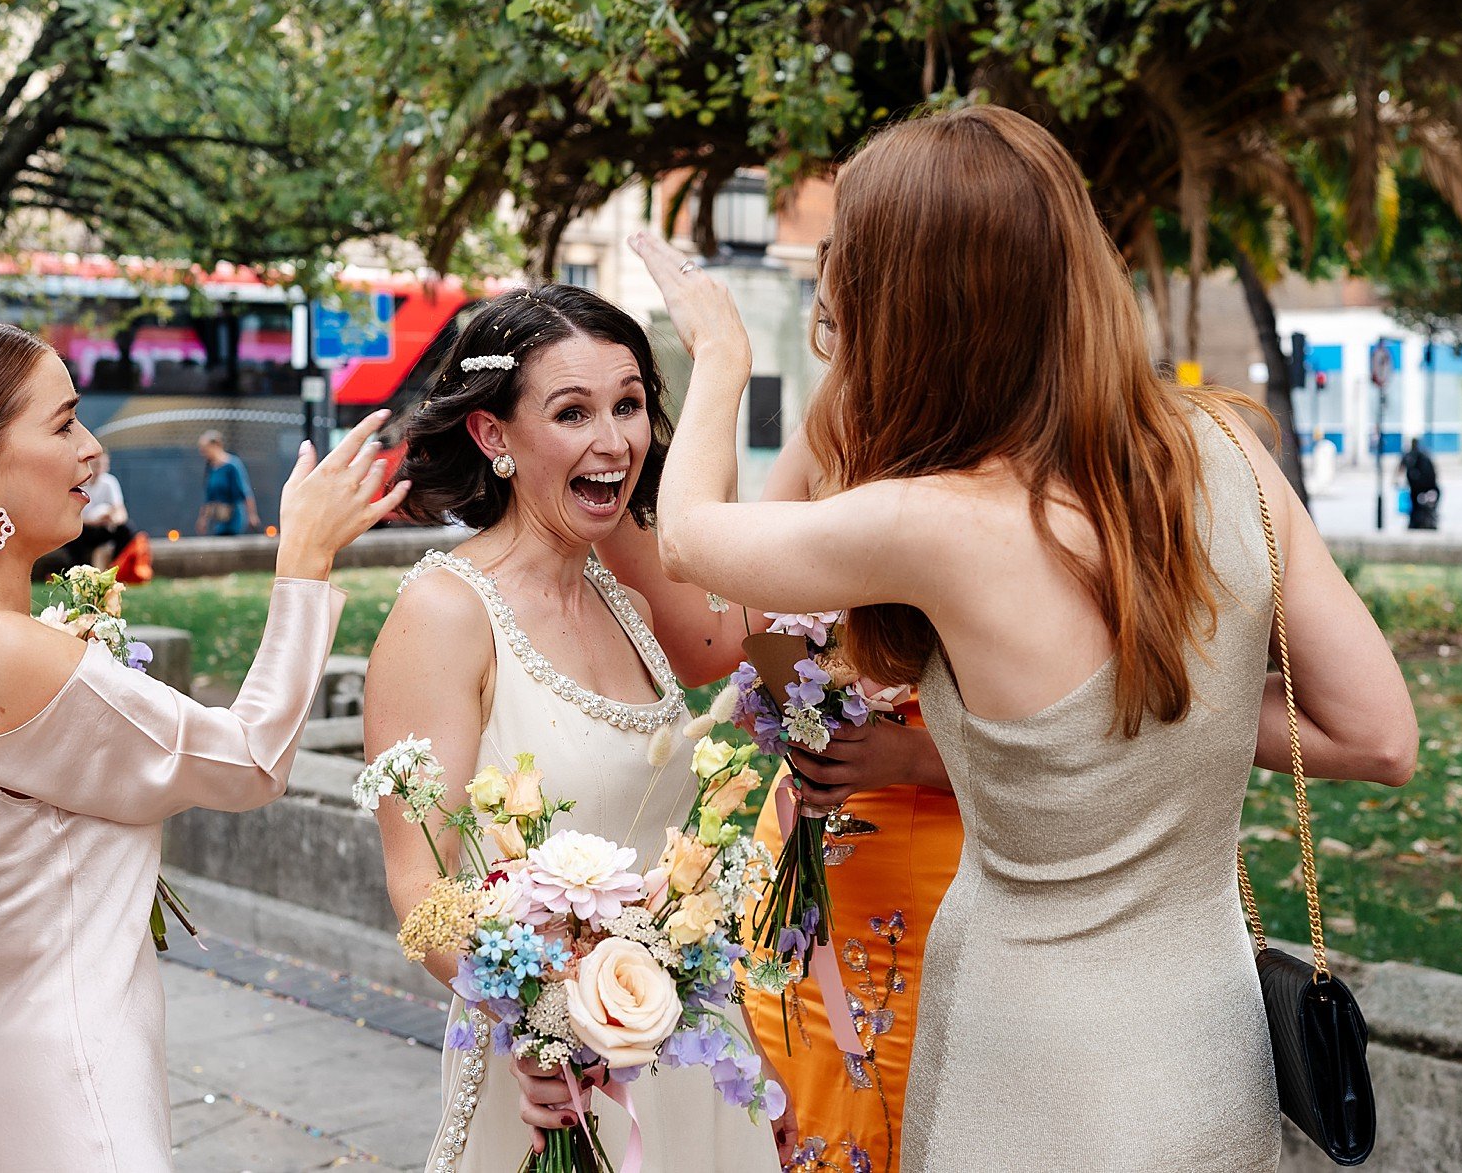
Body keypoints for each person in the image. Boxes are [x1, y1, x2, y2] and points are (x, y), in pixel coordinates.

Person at [634, 104, 1418, 1172]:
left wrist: (719, 355)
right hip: (1209, 1048)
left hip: (1029, 1068)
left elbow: (686, 540)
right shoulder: (1220, 447)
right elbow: (1379, 736)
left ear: (904, 304)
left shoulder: (940, 520)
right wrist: (1153, 731)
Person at [0, 321, 407, 1172]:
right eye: (61, 425)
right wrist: (305, 560)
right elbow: (249, 760)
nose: (91, 451)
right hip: (68, 1104)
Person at [363, 286, 791, 1172]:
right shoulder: (444, 612)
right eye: (572, 411)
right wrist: (544, 1023)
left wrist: (748, 1056)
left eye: (629, 405)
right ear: (493, 437)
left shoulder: (626, 602)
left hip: (682, 1054)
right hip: (552, 1081)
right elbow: (420, 885)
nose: (614, 441)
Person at [602, 423, 963, 1173]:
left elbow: (1087, 745)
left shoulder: (1016, 455)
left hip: (943, 855)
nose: (842, 346)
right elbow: (721, 633)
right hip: (801, 856)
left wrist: (912, 754)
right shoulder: (831, 431)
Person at [73, 447, 135, 566]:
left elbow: (120, 511)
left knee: (126, 529)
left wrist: (114, 519)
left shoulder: (110, 482)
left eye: (104, 464)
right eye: (96, 464)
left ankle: (116, 565)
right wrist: (92, 521)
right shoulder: (79, 483)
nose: (99, 469)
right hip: (84, 528)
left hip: (104, 527)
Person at [195, 429, 259, 535]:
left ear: (215, 445)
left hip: (234, 516)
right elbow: (209, 497)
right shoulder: (211, 468)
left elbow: (245, 491)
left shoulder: (232, 465)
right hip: (219, 518)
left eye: (205, 449)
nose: (203, 453)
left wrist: (252, 515)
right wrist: (203, 519)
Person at [1400, 437, 1441, 530]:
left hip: (1417, 487)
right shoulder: (1423, 455)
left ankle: (1417, 521)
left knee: (1416, 505)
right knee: (1418, 505)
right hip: (1426, 487)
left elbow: (1400, 468)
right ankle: (1419, 521)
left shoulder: (1410, 456)